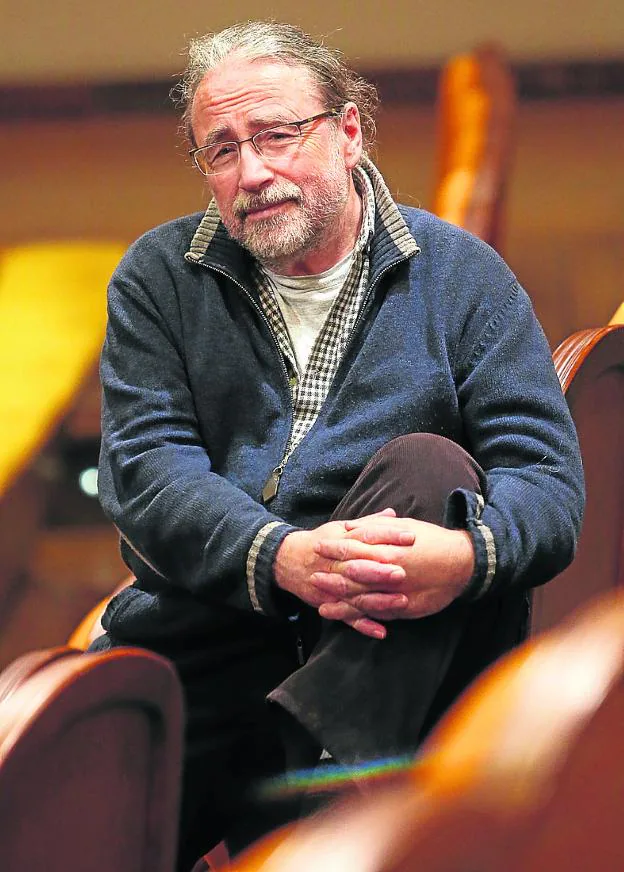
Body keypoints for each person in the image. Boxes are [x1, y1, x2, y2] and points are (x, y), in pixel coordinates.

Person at [91, 20, 584, 871]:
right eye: (222, 151)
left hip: (396, 655)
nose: (252, 172)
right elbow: (146, 472)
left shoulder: (461, 276)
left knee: (431, 467)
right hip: (206, 637)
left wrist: (467, 557)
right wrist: (278, 554)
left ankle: (314, 796)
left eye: (277, 135)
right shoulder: (159, 276)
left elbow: (547, 481)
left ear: (348, 131)